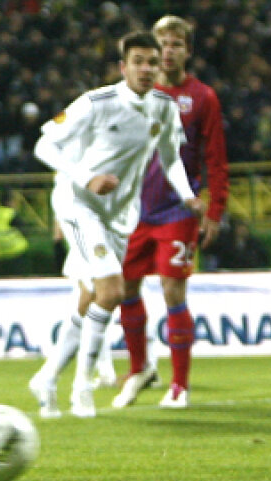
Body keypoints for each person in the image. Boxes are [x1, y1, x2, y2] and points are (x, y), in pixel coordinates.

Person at [28, 31, 204, 419]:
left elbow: (171, 157)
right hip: (80, 203)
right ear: (123, 67)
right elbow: (44, 144)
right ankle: (81, 390)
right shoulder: (96, 103)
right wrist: (86, 176)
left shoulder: (163, 106)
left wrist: (186, 194)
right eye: (137, 62)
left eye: (151, 63)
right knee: (110, 290)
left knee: (94, 298)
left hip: (121, 215)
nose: (145, 69)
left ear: (160, 68)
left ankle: (47, 377)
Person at [112, 15, 228, 410]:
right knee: (126, 289)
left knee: (171, 290)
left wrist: (214, 210)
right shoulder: (136, 93)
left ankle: (180, 385)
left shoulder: (203, 98)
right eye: (162, 42)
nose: (168, 50)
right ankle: (140, 368)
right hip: (133, 211)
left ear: (187, 50)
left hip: (178, 209)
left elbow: (217, 159)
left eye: (176, 43)